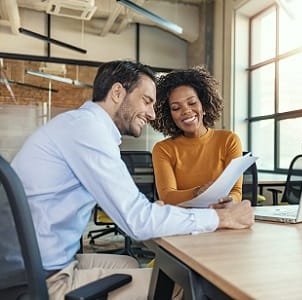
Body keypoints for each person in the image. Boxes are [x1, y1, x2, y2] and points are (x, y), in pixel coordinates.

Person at [11, 60, 254, 300]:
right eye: (147, 101)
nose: (151, 113)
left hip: (37, 263)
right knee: (181, 282)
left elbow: (132, 210)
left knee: (129, 262)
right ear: (117, 92)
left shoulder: (81, 125)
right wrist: (222, 217)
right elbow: (137, 222)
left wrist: (151, 211)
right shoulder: (87, 131)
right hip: (42, 279)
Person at [151, 66, 243, 206]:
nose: (186, 111)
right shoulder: (163, 149)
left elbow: (236, 191)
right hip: (183, 221)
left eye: (192, 103)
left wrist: (230, 201)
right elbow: (167, 196)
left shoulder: (229, 140)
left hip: (220, 216)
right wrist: (198, 192)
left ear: (204, 105)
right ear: (169, 115)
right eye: (176, 108)